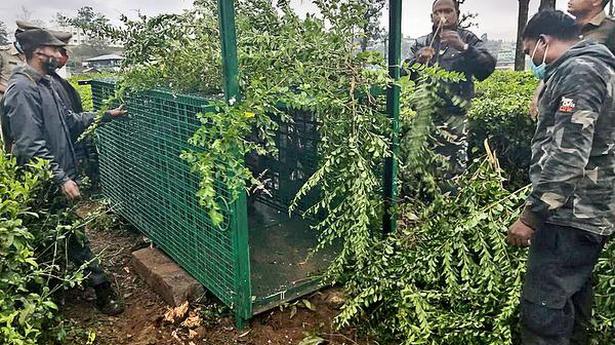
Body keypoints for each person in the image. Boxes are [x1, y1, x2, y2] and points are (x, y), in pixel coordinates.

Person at [507, 10, 615, 345]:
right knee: (571, 305)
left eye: (529, 52)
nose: (531, 60)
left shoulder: (579, 72)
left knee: (543, 312)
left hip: (570, 214)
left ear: (543, 41)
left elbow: (568, 155)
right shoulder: (594, 67)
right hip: (585, 212)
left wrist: (531, 216)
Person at [2, 28, 127, 315]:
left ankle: (53, 289)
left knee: (59, 234)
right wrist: (61, 178)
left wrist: (106, 115)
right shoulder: (22, 89)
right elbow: (30, 145)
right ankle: (100, 288)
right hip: (43, 179)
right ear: (38, 52)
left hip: (56, 174)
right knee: (72, 234)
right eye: (54, 49)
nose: (60, 55)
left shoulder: (44, 84)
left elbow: (70, 121)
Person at [405, 0, 496, 181]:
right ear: (432, 16)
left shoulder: (468, 39)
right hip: (425, 120)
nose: (443, 16)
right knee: (421, 174)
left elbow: (487, 67)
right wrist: (418, 60)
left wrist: (464, 48)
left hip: (455, 120)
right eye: (438, 12)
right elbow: (405, 70)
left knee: (452, 175)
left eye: (448, 11)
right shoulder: (422, 43)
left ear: (457, 14)